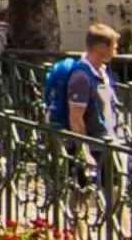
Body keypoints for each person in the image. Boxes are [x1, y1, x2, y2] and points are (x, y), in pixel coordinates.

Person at [46, 22, 120, 186]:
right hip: (95, 145)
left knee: (103, 191)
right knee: (91, 192)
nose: (116, 52)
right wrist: (84, 152)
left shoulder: (101, 70)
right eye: (114, 47)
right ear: (102, 48)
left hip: (105, 140)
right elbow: (76, 118)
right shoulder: (81, 77)